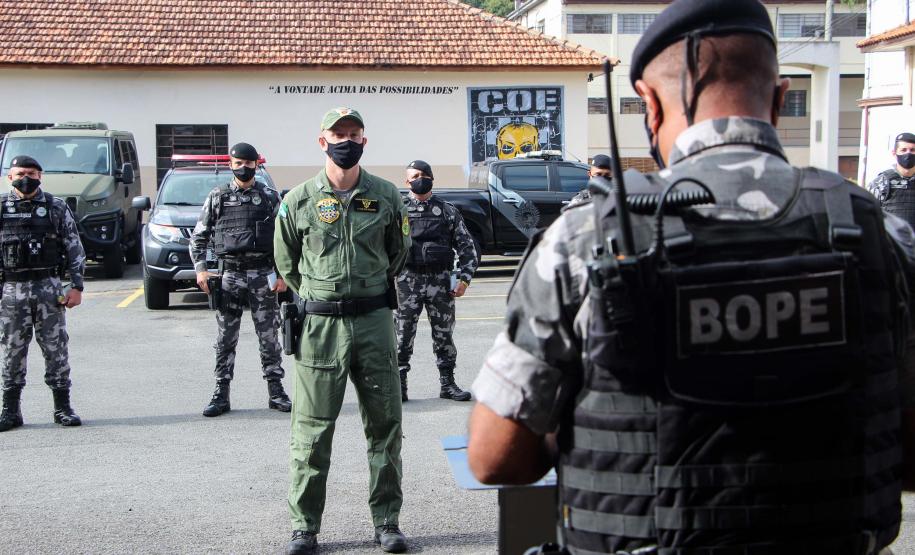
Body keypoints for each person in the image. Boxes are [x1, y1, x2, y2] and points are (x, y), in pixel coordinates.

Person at [466, 1, 915, 554]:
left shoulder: (586, 240)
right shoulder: (878, 234)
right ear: (779, 98)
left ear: (650, 107)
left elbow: (495, 459)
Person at [274, 107, 410, 555]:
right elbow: (288, 265)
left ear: (364, 141)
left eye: (353, 134)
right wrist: (320, 295)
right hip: (320, 326)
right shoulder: (297, 201)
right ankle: (305, 528)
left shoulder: (387, 195)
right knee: (311, 431)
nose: (345, 140)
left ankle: (387, 522)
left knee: (385, 425)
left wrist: (365, 292)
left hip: (374, 322)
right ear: (322, 141)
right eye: (338, 133)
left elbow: (398, 253)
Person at [189, 142, 291, 417]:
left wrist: (282, 274)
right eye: (238, 163)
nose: (244, 168)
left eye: (249, 163)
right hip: (230, 275)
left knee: (269, 334)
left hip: (263, 274)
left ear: (256, 165)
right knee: (225, 337)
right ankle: (221, 393)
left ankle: (276, 390)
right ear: (231, 165)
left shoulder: (270, 197)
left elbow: (284, 238)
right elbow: (199, 236)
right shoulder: (218, 196)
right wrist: (201, 269)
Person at [0, 155, 85, 432]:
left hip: (48, 287)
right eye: (21, 173)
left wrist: (76, 285)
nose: (27, 178)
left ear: (40, 176)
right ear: (10, 177)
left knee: (55, 348)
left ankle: (63, 408)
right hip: (11, 289)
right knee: (12, 350)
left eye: (32, 173)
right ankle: (10, 410)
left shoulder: (55, 207)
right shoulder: (1, 207)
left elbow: (73, 246)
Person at [396, 159, 478, 402]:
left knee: (444, 335)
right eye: (413, 175)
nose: (418, 179)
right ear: (406, 181)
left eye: (422, 174)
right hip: (406, 282)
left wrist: (464, 279)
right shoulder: (397, 210)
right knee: (402, 336)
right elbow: (382, 247)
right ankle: (399, 385)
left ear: (431, 177)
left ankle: (448, 384)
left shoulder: (447, 211)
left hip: (440, 282)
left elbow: (467, 248)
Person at [867, 132, 915, 226]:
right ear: (894, 153)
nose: (908, 154)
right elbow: (868, 215)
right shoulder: (881, 183)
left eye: (912, 150)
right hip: (891, 239)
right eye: (903, 150)